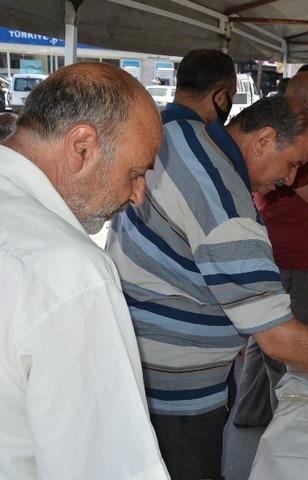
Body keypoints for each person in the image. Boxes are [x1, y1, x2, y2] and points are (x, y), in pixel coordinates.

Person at [106, 50, 308, 480]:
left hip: (139, 363)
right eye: (292, 164)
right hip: (178, 395)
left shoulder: (178, 128)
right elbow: (279, 339)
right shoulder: (228, 206)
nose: (287, 179)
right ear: (263, 140)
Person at [0, 63, 168, 479]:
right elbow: (111, 467)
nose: (137, 196)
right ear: (82, 147)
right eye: (135, 173)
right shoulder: (70, 272)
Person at [232, 70, 308, 427]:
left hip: (281, 261)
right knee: (285, 354)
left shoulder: (299, 152)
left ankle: (249, 413)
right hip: (284, 265)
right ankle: (288, 430)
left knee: (263, 343)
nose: (288, 179)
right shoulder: (293, 155)